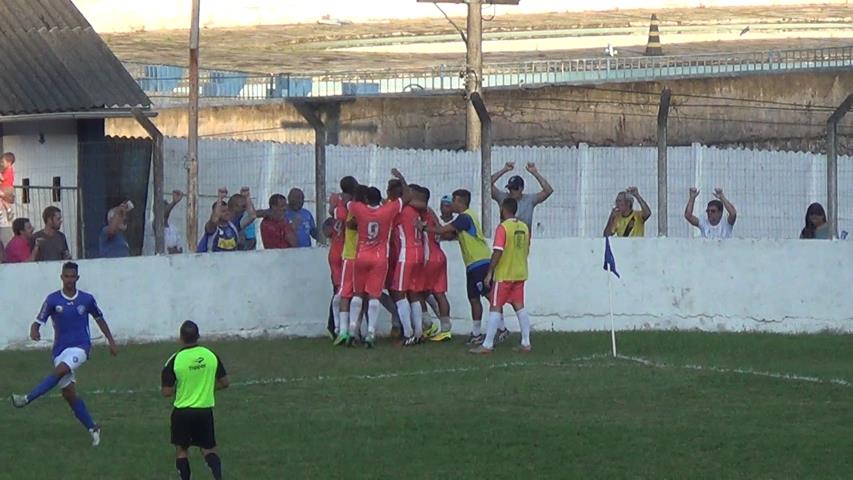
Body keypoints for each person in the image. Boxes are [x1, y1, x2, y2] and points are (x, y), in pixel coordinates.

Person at [10, 262, 118, 447]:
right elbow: (39, 320)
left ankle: (27, 399)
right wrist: (34, 330)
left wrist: (111, 341)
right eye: (66, 276)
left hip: (81, 347)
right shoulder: (52, 300)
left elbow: (99, 319)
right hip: (60, 350)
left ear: (77, 278)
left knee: (60, 371)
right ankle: (93, 428)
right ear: (62, 277)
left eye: (72, 276)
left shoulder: (87, 299)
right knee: (70, 395)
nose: (69, 280)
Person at [425, 189, 509, 345]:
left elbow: (444, 230)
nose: (452, 204)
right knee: (473, 298)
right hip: (472, 264)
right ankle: (476, 333)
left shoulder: (465, 217)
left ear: (460, 202)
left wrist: (425, 228)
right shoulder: (464, 218)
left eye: (454, 201)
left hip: (480, 261)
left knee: (489, 296)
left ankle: (502, 328)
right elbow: (450, 234)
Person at [346, 170, 410, 347]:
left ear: (366, 200)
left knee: (358, 294)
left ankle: (352, 330)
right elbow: (407, 196)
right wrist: (402, 178)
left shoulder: (359, 209)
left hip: (361, 256)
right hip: (380, 258)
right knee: (374, 295)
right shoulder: (387, 210)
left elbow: (349, 203)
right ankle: (371, 333)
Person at [161, 321, 229, 480]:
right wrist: (205, 389)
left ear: (181, 338)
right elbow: (225, 382)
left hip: (182, 413)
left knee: (182, 450)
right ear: (198, 336)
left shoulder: (175, 360)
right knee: (209, 450)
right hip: (204, 412)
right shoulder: (210, 356)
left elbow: (166, 392)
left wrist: (184, 389)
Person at [471, 198, 533, 354]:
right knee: (519, 306)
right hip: (520, 272)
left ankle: (487, 345)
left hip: (505, 274)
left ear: (503, 209)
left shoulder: (503, 228)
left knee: (495, 306)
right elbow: (527, 248)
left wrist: (490, 271)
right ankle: (526, 343)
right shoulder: (524, 227)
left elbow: (498, 251)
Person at [416, 187, 452, 342]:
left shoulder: (420, 212)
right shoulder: (431, 212)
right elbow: (439, 229)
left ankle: (428, 324)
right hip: (439, 255)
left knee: (416, 292)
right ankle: (445, 329)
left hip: (428, 258)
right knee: (438, 293)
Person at [329, 177, 358, 339]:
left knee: (339, 290)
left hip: (335, 248)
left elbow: (331, 214)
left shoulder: (337, 205)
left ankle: (337, 328)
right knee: (349, 293)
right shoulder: (351, 207)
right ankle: (345, 329)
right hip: (346, 252)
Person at [491, 161, 554, 230]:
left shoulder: (529, 200)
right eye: (510, 188)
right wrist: (504, 170)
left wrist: (535, 173)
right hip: (506, 238)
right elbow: (487, 185)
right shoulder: (503, 198)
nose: (512, 191)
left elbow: (548, 190)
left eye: (515, 188)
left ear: (522, 188)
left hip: (523, 238)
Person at [159, 190, 185, 254]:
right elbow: (161, 216)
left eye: (166, 207)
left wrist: (173, 251)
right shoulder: (151, 225)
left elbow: (180, 250)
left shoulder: (174, 229)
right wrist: (173, 202)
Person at [0, 152, 16, 245]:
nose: (2, 164)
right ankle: (8, 209)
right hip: (6, 188)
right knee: (2, 199)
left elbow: (2, 179)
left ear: (9, 162)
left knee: (1, 197)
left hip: (7, 188)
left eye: (3, 162)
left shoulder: (9, 170)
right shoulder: (8, 169)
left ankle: (1, 211)